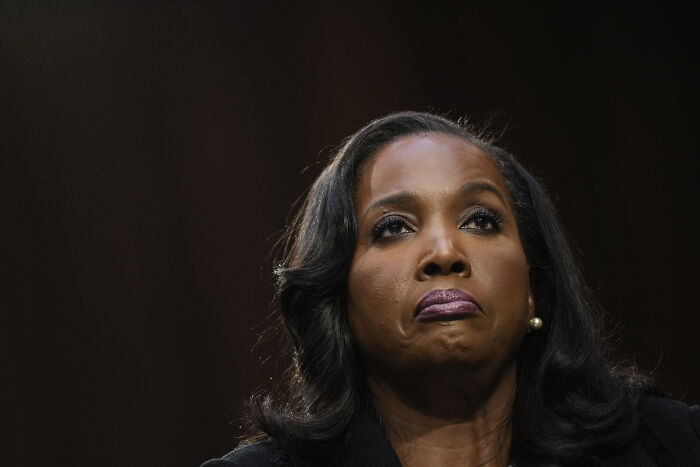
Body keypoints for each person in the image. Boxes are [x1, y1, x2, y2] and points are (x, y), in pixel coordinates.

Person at [202, 112, 700, 466]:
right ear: (337, 296)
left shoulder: (675, 445)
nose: (444, 252)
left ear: (534, 287)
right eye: (393, 227)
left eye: (481, 221)